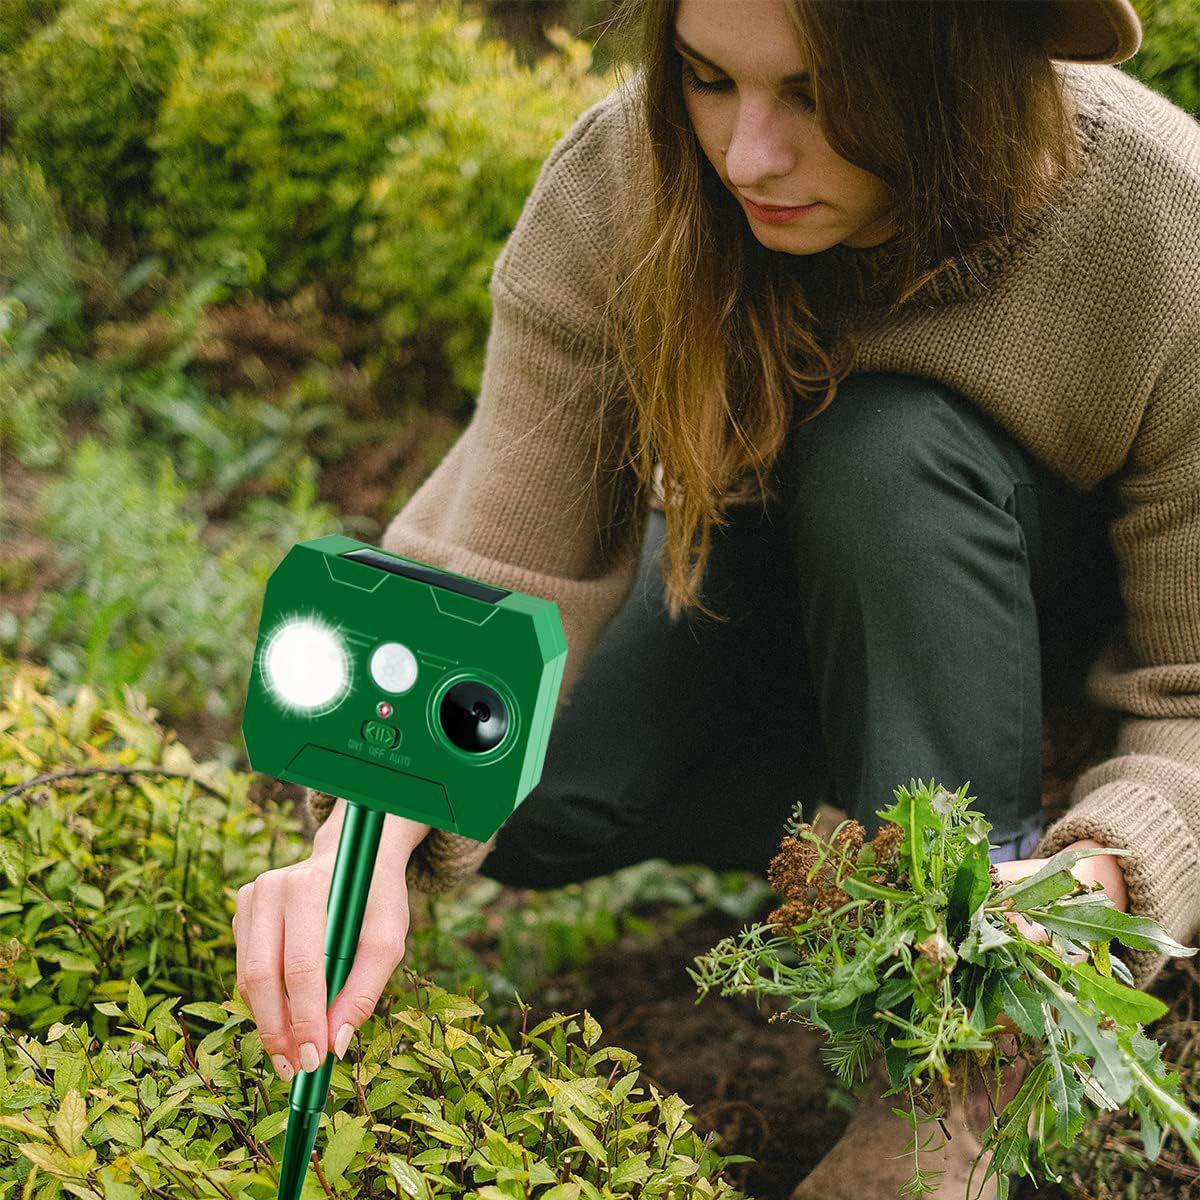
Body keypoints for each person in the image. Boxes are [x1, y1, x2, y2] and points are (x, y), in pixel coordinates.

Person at [233, 1, 1200, 1195]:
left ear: (960, 67)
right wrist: (365, 831)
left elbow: (1195, 694)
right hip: (784, 613)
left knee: (887, 445)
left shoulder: (1162, 231)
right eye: (705, 78)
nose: (746, 157)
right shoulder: (627, 178)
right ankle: (849, 832)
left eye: (816, 96)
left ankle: (950, 1062)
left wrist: (1093, 879)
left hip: (1033, 697)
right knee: (515, 786)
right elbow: (495, 556)